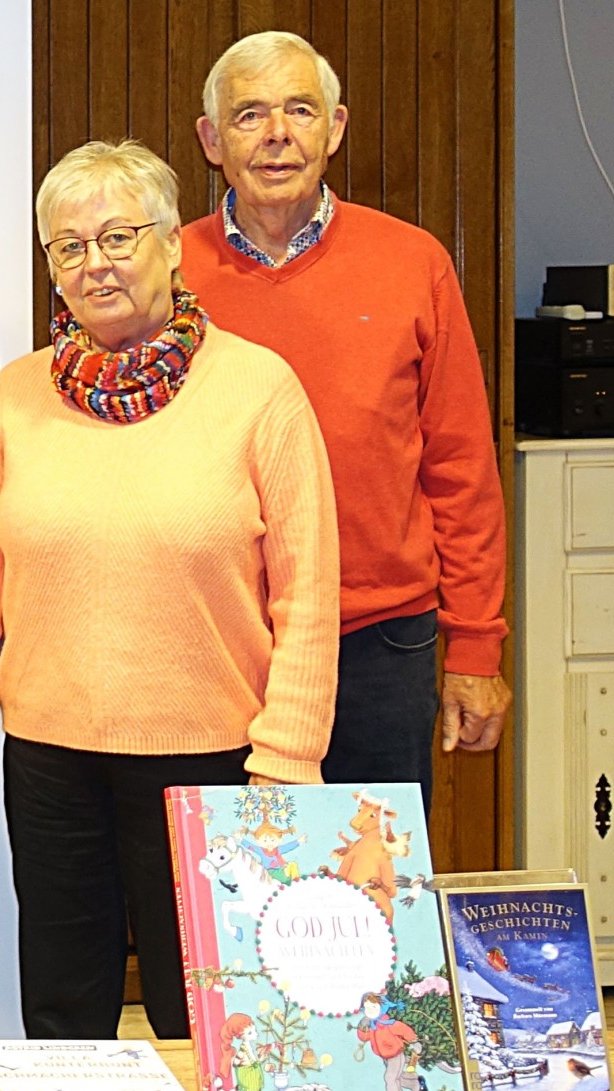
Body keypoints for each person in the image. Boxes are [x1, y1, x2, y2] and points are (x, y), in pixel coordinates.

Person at [0, 141, 340, 1040]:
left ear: (172, 245)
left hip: (215, 763)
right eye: (69, 247)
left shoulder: (260, 391)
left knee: (210, 1017)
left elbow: (308, 594)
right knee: (63, 1010)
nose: (95, 264)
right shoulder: (13, 399)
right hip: (51, 761)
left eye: (118, 237)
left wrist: (289, 753)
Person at [183, 31, 509, 813]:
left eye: (300, 110)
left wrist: (475, 645)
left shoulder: (414, 263)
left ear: (334, 129)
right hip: (215, 643)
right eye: (250, 114)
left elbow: (461, 467)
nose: (277, 135)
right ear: (211, 141)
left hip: (379, 641)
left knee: (372, 878)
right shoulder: (166, 274)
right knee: (223, 881)